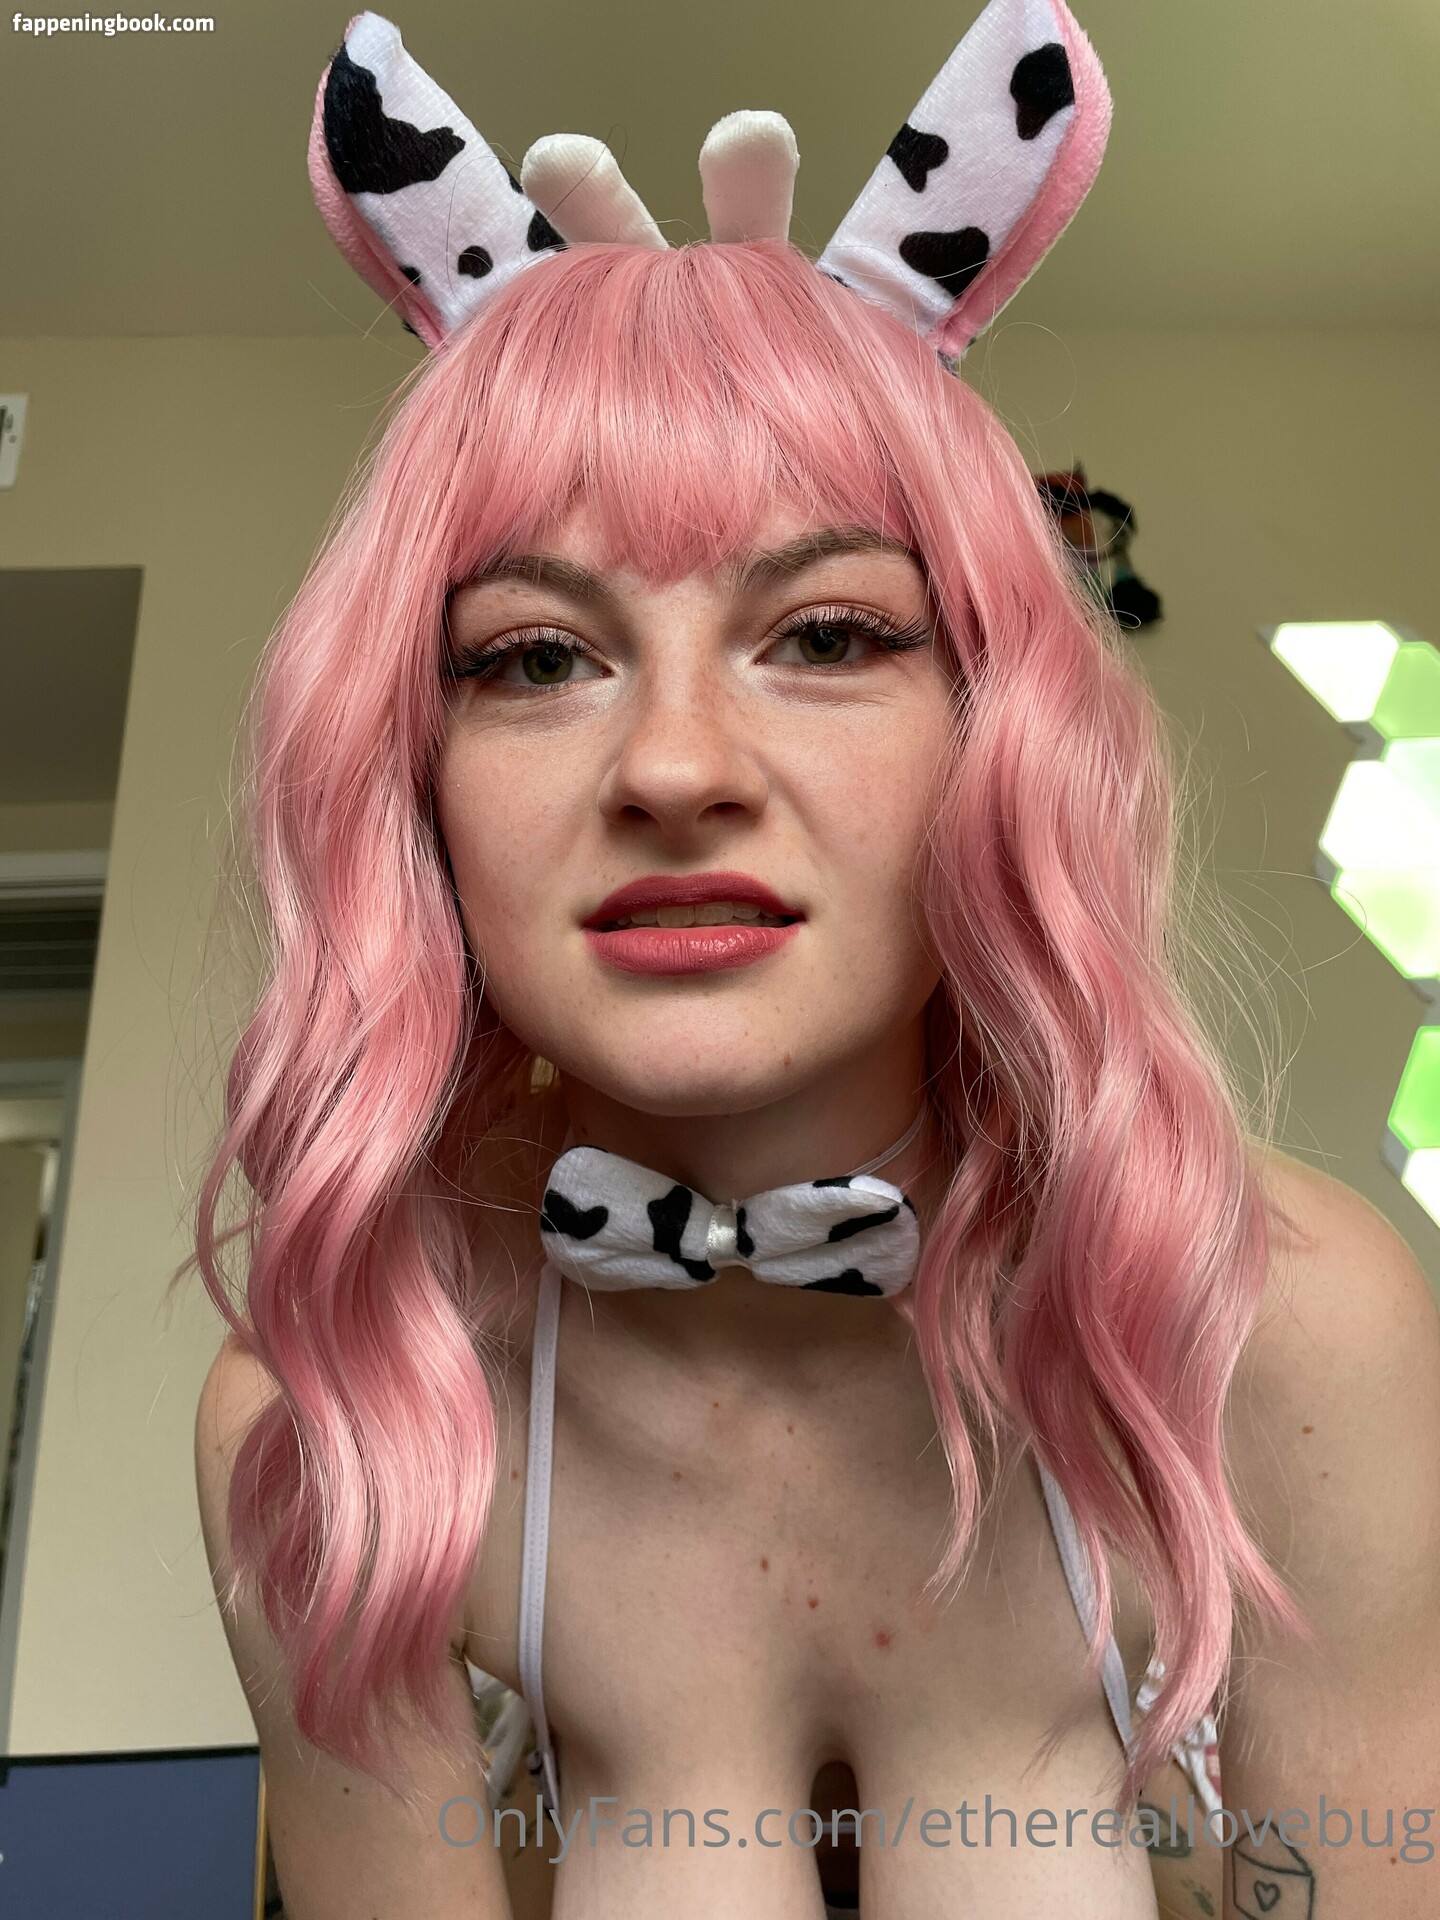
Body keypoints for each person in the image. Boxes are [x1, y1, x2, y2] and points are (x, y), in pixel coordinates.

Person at [190, 4, 1440, 1917]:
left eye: (831, 636)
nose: (676, 768)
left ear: (995, 730)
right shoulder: (338, 1414)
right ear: (410, 775)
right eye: (536, 657)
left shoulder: (1284, 1334)